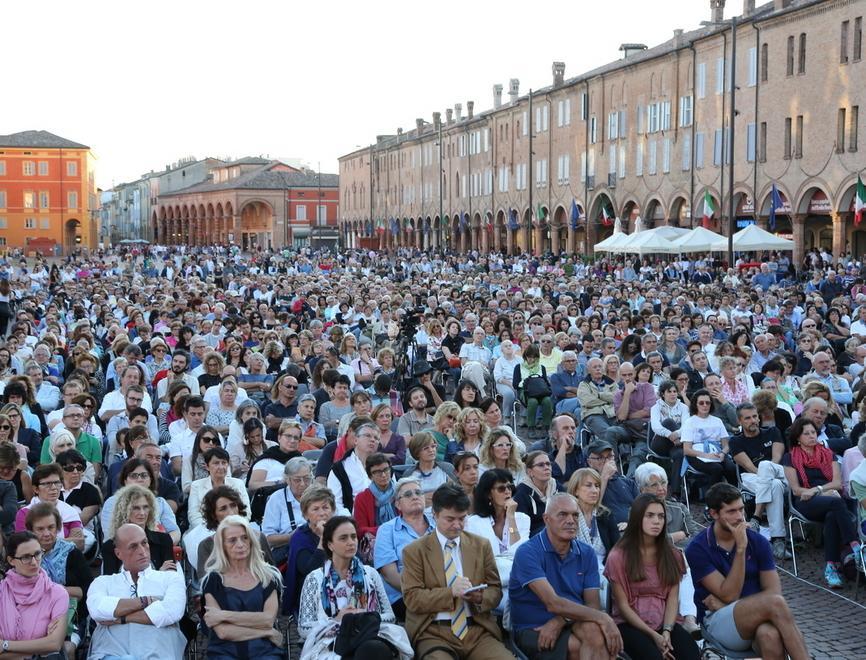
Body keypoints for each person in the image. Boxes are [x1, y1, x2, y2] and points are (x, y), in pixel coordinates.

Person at [686, 483, 810, 659]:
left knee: (769, 635)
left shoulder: (758, 541)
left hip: (750, 616)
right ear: (714, 514)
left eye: (741, 509)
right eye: (731, 512)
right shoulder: (698, 548)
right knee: (774, 604)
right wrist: (741, 549)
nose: (740, 517)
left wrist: (731, 605)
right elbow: (730, 594)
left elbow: (774, 592)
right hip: (717, 622)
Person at [509, 492, 623, 659]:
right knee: (583, 646)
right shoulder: (528, 552)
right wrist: (604, 619)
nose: (571, 520)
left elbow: (592, 604)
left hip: (571, 620)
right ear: (546, 519)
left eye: (575, 515)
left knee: (596, 634)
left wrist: (560, 621)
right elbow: (553, 603)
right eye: (563, 514)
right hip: (534, 627)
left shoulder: (587, 553)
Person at [400, 483, 509, 659]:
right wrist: (450, 593)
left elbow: (495, 590)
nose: (457, 525)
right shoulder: (414, 551)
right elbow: (412, 598)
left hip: (477, 630)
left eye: (462, 518)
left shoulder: (481, 546)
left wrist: (480, 597)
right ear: (434, 515)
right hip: (434, 632)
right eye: (450, 519)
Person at [297, 515, 413, 659]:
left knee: (372, 649)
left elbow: (390, 617)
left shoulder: (370, 574)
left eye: (353, 537)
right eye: (343, 538)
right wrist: (337, 620)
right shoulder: (315, 579)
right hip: (330, 642)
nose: (351, 542)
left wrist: (362, 616)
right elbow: (303, 628)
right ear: (330, 544)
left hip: (369, 635)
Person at [604, 493, 701, 660]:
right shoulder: (618, 556)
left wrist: (666, 631)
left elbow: (672, 597)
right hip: (630, 625)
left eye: (661, 516)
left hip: (665, 622)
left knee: (690, 652)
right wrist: (653, 636)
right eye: (650, 515)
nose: (657, 521)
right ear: (637, 518)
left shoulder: (672, 554)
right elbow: (622, 606)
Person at [87, 523, 187, 660]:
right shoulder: (103, 582)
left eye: (144, 543)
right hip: (111, 654)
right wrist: (146, 601)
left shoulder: (170, 579)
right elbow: (97, 610)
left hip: (158, 654)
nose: (142, 551)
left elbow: (171, 612)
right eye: (133, 546)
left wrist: (121, 618)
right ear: (118, 553)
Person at [782, 417, 861, 587]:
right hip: (804, 503)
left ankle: (831, 567)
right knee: (836, 503)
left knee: (833, 515)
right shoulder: (790, 457)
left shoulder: (828, 454)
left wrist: (817, 490)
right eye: (807, 433)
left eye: (813, 432)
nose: (812, 436)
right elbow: (796, 490)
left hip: (825, 499)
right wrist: (817, 491)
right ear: (798, 438)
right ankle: (855, 546)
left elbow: (837, 483)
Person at [200, 515, 285, 659]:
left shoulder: (268, 576)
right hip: (224, 652)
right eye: (232, 540)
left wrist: (223, 615)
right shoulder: (213, 580)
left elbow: (267, 620)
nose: (240, 544)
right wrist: (267, 632)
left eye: (245, 538)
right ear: (222, 546)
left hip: (264, 651)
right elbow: (223, 632)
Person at [635, 463, 701, 635]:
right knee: (681, 564)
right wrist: (673, 537)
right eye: (654, 485)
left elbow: (694, 538)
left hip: (681, 559)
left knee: (683, 562)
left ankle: (690, 619)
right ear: (642, 490)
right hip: (651, 563)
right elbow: (641, 540)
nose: (661, 488)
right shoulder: (636, 512)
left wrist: (670, 541)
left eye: (663, 483)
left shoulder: (678, 508)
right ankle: (688, 619)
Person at [25, 502, 93, 657]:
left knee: (65, 650)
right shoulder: (24, 556)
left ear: (58, 528)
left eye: (51, 527)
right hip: (32, 618)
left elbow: (86, 592)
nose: (47, 533)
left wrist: (47, 589)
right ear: (30, 531)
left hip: (71, 619)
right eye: (40, 529)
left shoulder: (72, 553)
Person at [728, 403, 791, 560]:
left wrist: (768, 472)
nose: (753, 420)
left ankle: (755, 517)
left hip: (778, 473)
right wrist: (767, 475)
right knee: (773, 484)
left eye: (755, 416)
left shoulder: (772, 432)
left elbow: (776, 460)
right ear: (740, 421)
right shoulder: (736, 441)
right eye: (748, 418)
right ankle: (778, 540)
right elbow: (749, 466)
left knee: (766, 466)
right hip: (751, 477)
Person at [466, 469, 530, 610]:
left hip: (517, 583)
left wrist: (511, 517)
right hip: (489, 585)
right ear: (489, 494)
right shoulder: (473, 523)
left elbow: (519, 552)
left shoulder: (522, 519)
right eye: (501, 488)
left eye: (509, 487)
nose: (507, 491)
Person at [0, 531, 69, 659]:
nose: (34, 562)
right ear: (11, 560)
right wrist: (38, 647)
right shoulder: (1, 591)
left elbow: (54, 644)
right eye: (26, 557)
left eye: (37, 554)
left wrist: (5, 645)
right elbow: (46, 646)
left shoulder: (57, 593)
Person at [373, 477, 435, 619]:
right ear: (398, 504)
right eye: (407, 495)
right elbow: (389, 575)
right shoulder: (387, 530)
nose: (414, 497)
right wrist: (420, 594)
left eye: (418, 493)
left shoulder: (438, 525)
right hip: (404, 596)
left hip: (440, 591)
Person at [283, 486, 337, 616]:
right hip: (312, 594)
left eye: (325, 507)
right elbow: (310, 571)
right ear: (305, 514)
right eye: (315, 509)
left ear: (333, 510)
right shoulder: (300, 537)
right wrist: (324, 538)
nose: (322, 513)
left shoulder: (340, 530)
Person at [102, 484, 176, 575]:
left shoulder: (163, 540)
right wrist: (159, 574)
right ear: (125, 511)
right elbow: (111, 583)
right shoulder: (110, 546)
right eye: (136, 508)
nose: (142, 513)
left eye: (145, 507)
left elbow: (171, 577)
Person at [15, 463, 85, 552]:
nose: (53, 488)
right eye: (47, 483)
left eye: (57, 482)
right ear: (36, 489)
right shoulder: (25, 513)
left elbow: (79, 543)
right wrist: (64, 543)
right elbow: (23, 545)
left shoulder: (69, 511)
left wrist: (45, 543)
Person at [681, 388, 737, 490]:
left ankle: (734, 496)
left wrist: (723, 454)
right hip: (697, 455)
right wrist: (707, 455)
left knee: (731, 468)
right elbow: (687, 450)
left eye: (708, 403)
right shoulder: (690, 422)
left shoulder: (717, 421)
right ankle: (712, 501)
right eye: (701, 403)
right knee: (716, 469)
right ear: (695, 404)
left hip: (717, 452)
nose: (705, 405)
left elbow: (726, 444)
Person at [261, 456, 311, 564]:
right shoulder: (277, 499)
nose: (302, 484)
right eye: (297, 480)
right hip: (290, 552)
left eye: (307, 479)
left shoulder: (320, 495)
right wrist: (291, 537)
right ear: (287, 480)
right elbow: (267, 538)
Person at [188, 447, 251, 529]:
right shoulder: (196, 486)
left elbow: (246, 512)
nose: (221, 467)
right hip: (205, 530)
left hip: (236, 528)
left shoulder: (238, 484)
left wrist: (235, 527)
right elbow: (194, 516)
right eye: (216, 463)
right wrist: (214, 530)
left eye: (224, 463)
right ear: (207, 466)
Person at [649, 379, 690, 499]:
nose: (673, 394)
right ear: (663, 394)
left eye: (674, 391)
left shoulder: (683, 407)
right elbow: (656, 427)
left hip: (676, 445)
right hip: (660, 444)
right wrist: (670, 435)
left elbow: (686, 426)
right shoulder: (655, 408)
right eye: (669, 391)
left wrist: (676, 434)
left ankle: (676, 493)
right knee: (668, 422)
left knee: (680, 455)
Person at [585, 440, 639, 526]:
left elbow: (642, 510)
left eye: (610, 457)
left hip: (631, 529)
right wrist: (604, 477)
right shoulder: (586, 485)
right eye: (600, 458)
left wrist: (631, 524)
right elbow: (590, 510)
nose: (606, 462)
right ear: (590, 462)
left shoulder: (628, 482)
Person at [514, 450, 562, 536]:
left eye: (548, 464)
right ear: (530, 472)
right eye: (541, 465)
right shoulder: (521, 492)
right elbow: (519, 527)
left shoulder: (557, 487)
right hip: (532, 538)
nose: (546, 467)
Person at [404, 431, 457, 506]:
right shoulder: (409, 475)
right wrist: (421, 499)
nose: (431, 450)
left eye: (433, 446)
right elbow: (405, 501)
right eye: (426, 448)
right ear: (417, 452)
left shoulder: (447, 469)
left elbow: (457, 494)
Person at [352, 452, 397, 541]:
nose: (383, 475)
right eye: (377, 472)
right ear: (370, 476)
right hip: (376, 540)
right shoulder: (361, 498)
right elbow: (360, 530)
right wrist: (386, 530)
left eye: (386, 469)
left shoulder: (401, 492)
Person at [512, 344, 553, 438]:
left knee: (547, 401)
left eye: (533, 357)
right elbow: (515, 384)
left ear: (537, 357)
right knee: (533, 402)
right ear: (525, 356)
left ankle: (546, 427)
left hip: (540, 391)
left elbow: (545, 382)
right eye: (529, 357)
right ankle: (531, 427)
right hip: (525, 392)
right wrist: (527, 381)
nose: (531, 359)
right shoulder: (519, 367)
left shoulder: (541, 367)